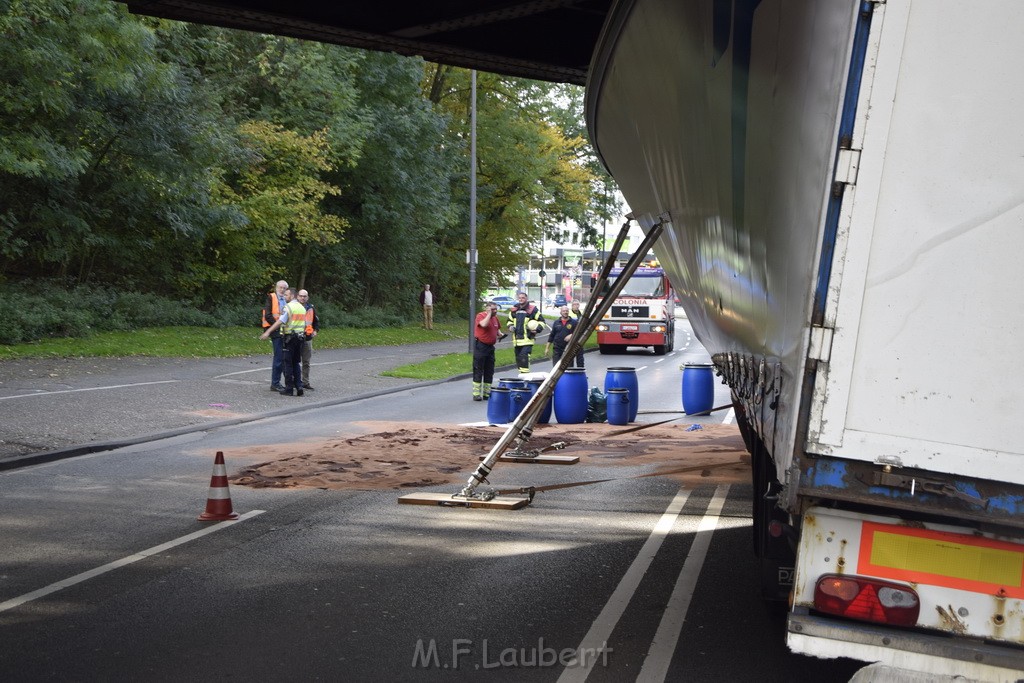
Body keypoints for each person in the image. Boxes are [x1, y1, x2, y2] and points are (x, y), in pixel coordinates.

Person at [260, 288, 307, 396]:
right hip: (300, 338)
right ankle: (299, 387)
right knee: (296, 363)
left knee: (288, 363)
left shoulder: (289, 307)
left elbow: (280, 321)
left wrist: (268, 332)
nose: (284, 297)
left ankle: (289, 388)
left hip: (290, 338)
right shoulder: (302, 307)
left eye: (286, 295)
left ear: (292, 296)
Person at [506, 292, 546, 374]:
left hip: (527, 340)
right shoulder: (514, 310)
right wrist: (510, 326)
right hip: (516, 341)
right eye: (519, 297)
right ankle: (522, 377)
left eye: (523, 297)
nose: (521, 299)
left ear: (526, 298)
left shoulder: (532, 310)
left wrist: (537, 329)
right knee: (519, 361)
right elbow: (509, 320)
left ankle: (525, 379)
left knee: (524, 359)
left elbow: (542, 321)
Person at [261, 280, 288, 391]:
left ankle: (286, 382)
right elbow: (268, 315)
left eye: (284, 288)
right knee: (279, 357)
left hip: (285, 330)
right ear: (276, 288)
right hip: (275, 330)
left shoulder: (287, 299)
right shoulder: (271, 297)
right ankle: (275, 383)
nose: (282, 290)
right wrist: (277, 326)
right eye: (280, 287)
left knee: (284, 357)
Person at [472, 302, 501, 401]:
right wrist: (489, 314)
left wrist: (501, 335)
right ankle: (476, 394)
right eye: (493, 309)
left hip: (490, 347)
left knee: (489, 370)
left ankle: (486, 393)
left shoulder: (495, 318)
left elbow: (497, 330)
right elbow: (483, 325)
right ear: (487, 309)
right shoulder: (481, 316)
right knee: (478, 368)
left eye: (496, 309)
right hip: (481, 346)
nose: (495, 311)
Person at [296, 289, 319, 391]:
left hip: (307, 338)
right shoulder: (293, 307)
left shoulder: (311, 308)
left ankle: (305, 382)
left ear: (307, 297)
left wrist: (315, 330)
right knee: (294, 361)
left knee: (306, 362)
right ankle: (295, 382)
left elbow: (316, 321)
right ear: (297, 296)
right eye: (301, 296)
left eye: (304, 296)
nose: (302, 298)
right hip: (295, 337)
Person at [566, 300, 586, 368]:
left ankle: (580, 370)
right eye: (574, 304)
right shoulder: (569, 314)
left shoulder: (581, 314)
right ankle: (570, 370)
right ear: (572, 306)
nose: (576, 306)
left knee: (580, 356)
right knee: (570, 356)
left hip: (579, 337)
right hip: (571, 337)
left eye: (577, 304)